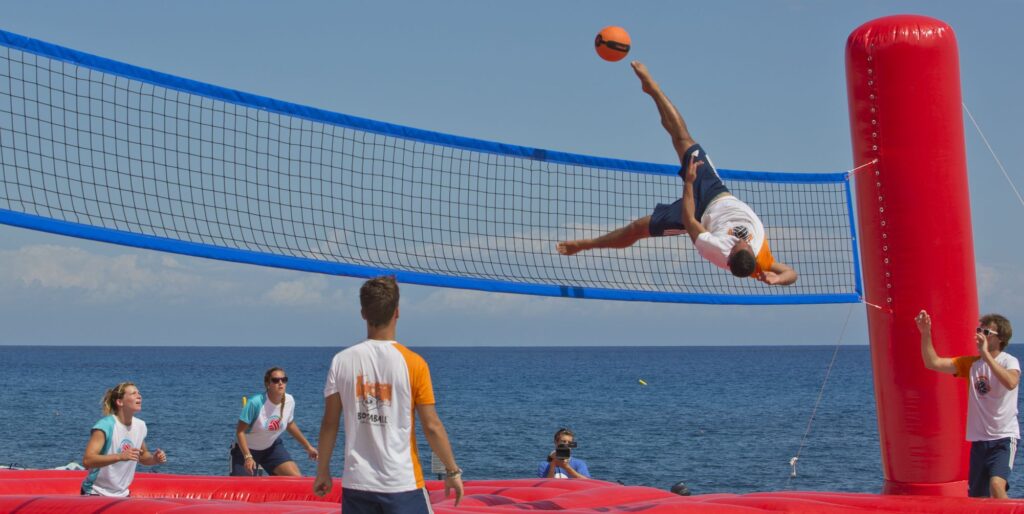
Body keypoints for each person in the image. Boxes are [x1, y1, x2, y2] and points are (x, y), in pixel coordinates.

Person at [556, 61, 797, 285]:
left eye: (738, 245)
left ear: (730, 254)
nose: (741, 241)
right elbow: (791, 274)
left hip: (699, 216)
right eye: (745, 244)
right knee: (683, 138)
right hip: (719, 194)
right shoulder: (760, 261)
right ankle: (653, 89)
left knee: (637, 229)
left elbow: (690, 219)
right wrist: (778, 279)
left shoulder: (715, 249)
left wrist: (689, 182)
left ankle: (585, 245)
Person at [313, 275, 464, 511]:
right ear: (397, 312)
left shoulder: (341, 361)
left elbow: (330, 423)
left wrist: (322, 470)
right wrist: (452, 471)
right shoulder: (415, 364)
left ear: (363, 313)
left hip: (357, 484)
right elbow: (432, 425)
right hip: (400, 484)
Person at [915, 310, 1020, 498]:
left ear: (1001, 339)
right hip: (979, 442)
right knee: (977, 498)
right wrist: (925, 333)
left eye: (986, 333)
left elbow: (1011, 382)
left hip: (1003, 438)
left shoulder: (1009, 361)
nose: (980, 335)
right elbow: (932, 363)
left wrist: (986, 355)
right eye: (980, 330)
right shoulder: (971, 365)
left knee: (996, 486)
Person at [81, 382, 167, 496]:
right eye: (133, 393)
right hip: (96, 492)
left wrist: (154, 459)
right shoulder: (105, 426)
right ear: (120, 402)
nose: (139, 396)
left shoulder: (140, 426)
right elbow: (87, 461)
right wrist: (120, 456)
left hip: (123, 494)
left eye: (139, 393)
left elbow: (142, 456)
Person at [230, 367, 318, 476]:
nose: (280, 383)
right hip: (246, 450)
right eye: (275, 380)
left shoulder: (289, 400)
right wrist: (248, 457)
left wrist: (308, 447)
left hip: (271, 447)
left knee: (295, 478)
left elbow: (290, 424)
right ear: (268, 383)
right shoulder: (255, 403)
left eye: (284, 379)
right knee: (243, 489)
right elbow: (240, 432)